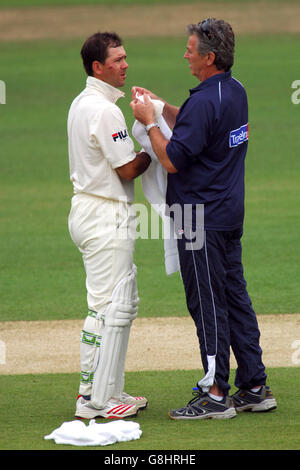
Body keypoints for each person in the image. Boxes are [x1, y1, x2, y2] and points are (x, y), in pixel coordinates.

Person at [130, 18, 277, 420]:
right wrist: (162, 109)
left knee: (207, 304)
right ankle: (254, 386)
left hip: (199, 218)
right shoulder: (234, 91)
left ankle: (215, 393)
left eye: (190, 49)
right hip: (229, 214)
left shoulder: (204, 101)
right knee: (235, 298)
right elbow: (200, 125)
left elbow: (172, 160)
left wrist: (147, 121)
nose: (185, 54)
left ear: (209, 57)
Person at [67, 32, 150, 419]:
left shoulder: (83, 103)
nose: (125, 65)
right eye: (117, 60)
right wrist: (153, 139)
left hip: (91, 210)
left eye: (125, 57)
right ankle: (91, 399)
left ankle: (109, 390)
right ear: (97, 67)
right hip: (104, 215)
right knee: (106, 307)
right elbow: (128, 168)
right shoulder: (103, 110)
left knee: (119, 303)